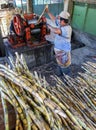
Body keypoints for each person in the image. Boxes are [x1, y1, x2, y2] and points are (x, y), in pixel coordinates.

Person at [45, 7, 72, 76]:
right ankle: (60, 75)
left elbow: (56, 31)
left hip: (63, 52)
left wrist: (48, 26)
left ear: (63, 21)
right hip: (59, 51)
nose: (58, 20)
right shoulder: (61, 24)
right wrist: (48, 12)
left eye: (59, 19)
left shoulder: (67, 29)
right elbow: (54, 19)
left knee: (65, 67)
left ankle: (68, 81)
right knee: (60, 64)